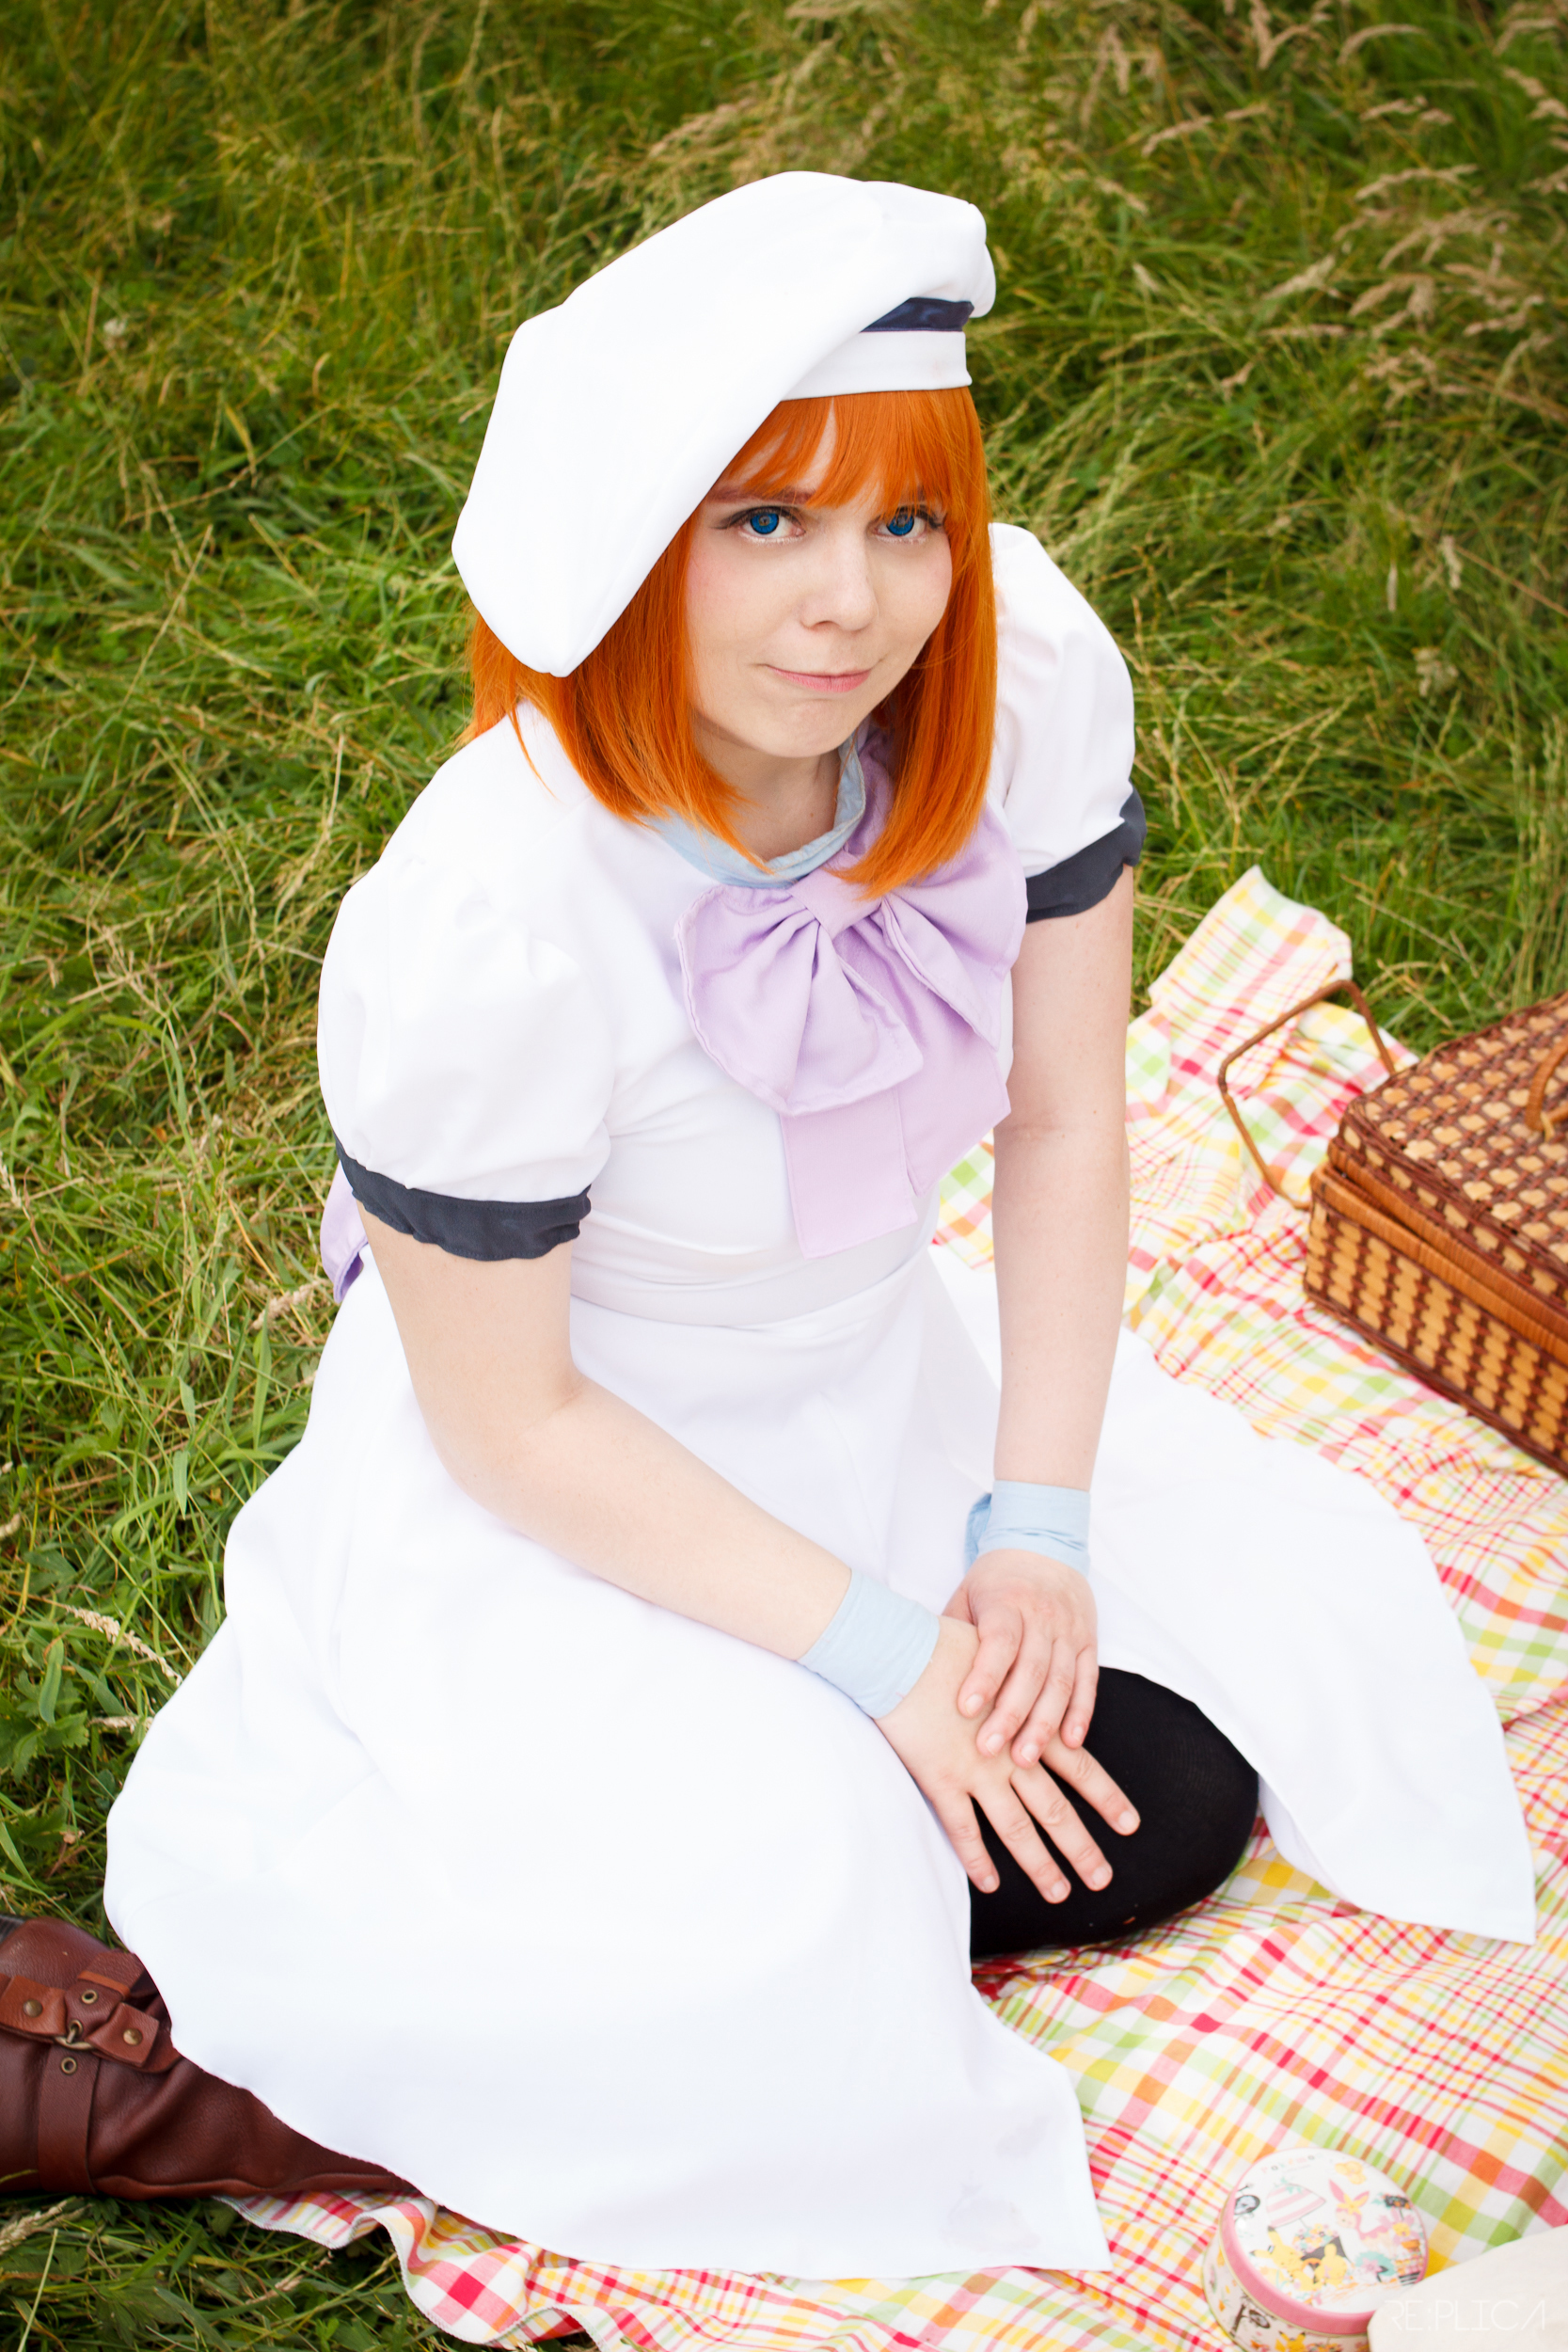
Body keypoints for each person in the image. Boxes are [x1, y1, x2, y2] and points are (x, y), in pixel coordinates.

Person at [10, 170, 1529, 2274]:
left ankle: (756, 1880)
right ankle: (187, 2072)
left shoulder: (1013, 685)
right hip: (585, 1494)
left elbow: (1069, 1123)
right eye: (766, 523)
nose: (852, 606)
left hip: (880, 1394)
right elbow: (516, 1423)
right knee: (792, 1924)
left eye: (905, 523)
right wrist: (887, 1658)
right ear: (634, 533)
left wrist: (1033, 1526)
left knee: (1179, 1782)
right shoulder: (498, 919)